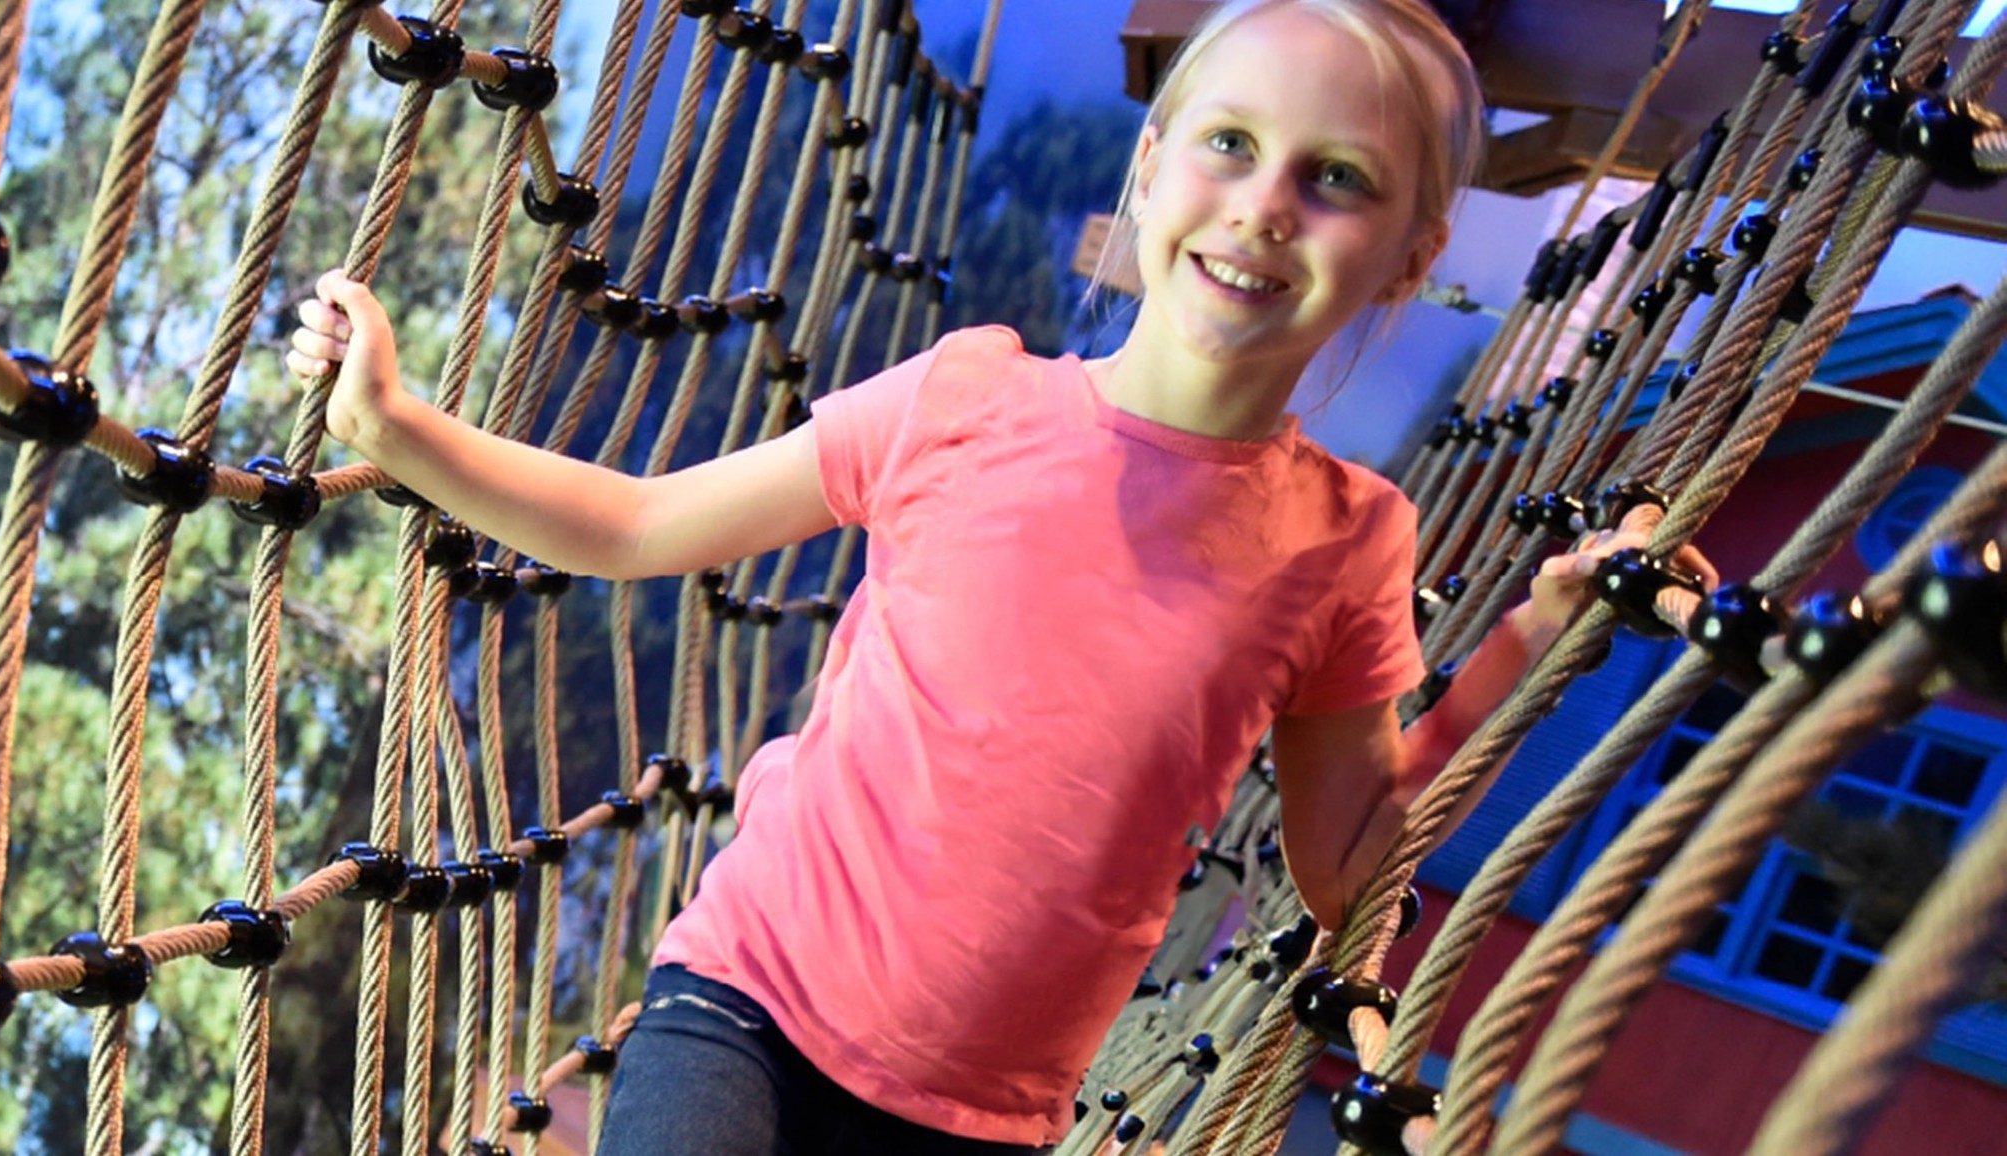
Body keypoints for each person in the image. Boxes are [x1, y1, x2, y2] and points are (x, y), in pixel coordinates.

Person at [286, 1, 1712, 1151]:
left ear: (1410, 257)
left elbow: (1348, 873)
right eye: (1230, 143)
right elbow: (639, 527)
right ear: (1150, 164)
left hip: (985, 1117)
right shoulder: (969, 399)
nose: (1266, 206)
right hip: (747, 1002)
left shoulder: (1348, 539)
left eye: (1337, 179)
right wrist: (398, 428)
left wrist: (1534, 637)